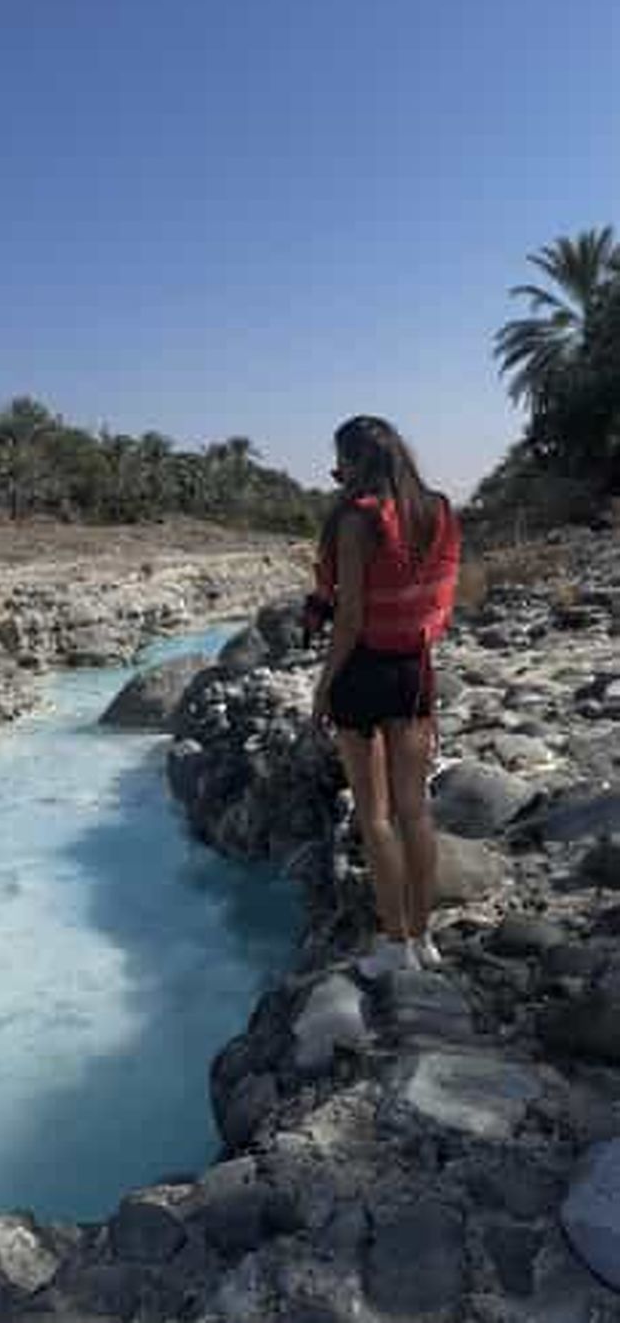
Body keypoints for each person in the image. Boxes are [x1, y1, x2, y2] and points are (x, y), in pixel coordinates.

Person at [309, 416, 461, 978]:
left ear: (354, 461)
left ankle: (393, 942)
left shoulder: (356, 520)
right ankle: (425, 939)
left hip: (363, 672)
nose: (338, 474)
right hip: (413, 669)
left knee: (374, 818)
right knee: (415, 810)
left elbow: (349, 619)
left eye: (339, 463)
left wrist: (324, 688)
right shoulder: (437, 510)